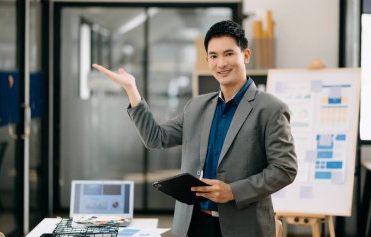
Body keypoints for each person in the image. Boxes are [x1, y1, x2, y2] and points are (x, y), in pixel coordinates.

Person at [93, 20, 297, 237]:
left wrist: (233, 191)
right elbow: (156, 138)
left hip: (243, 227)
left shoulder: (271, 108)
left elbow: (285, 169)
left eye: (229, 54)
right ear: (207, 59)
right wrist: (132, 90)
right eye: (214, 56)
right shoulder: (197, 106)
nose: (221, 63)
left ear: (245, 55)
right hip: (193, 224)